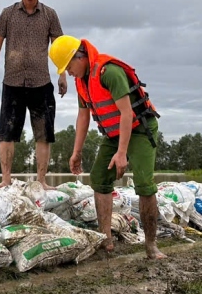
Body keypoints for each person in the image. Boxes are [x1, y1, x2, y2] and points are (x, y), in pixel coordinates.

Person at [49, 35, 167, 260]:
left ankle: (151, 246)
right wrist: (76, 152)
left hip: (139, 128)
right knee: (99, 177)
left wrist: (122, 153)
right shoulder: (82, 81)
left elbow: (126, 113)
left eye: (68, 66)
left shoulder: (109, 72)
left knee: (143, 183)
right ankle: (106, 240)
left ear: (80, 57)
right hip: (114, 133)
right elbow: (83, 117)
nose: (69, 72)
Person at [0, 0, 66, 189]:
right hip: (12, 81)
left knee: (44, 134)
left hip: (41, 81)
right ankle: (6, 179)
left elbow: (59, 47)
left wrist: (62, 73)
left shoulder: (50, 14)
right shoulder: (7, 13)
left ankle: (41, 181)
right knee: (7, 132)